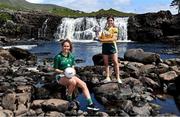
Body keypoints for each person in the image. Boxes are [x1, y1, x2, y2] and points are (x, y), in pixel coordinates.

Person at [53, 39, 99, 111]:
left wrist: (73, 71)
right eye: (64, 46)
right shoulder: (58, 57)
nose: (66, 48)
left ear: (70, 47)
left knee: (83, 84)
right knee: (73, 82)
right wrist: (63, 72)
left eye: (67, 46)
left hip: (70, 75)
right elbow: (55, 69)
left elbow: (73, 67)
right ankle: (69, 99)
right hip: (60, 76)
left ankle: (90, 104)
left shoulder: (71, 56)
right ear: (62, 47)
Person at [99, 15, 122, 84]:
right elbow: (101, 38)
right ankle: (107, 77)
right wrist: (100, 38)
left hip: (112, 46)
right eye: (109, 20)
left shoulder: (115, 29)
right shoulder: (104, 29)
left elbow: (114, 39)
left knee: (115, 62)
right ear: (107, 21)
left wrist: (103, 40)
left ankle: (118, 78)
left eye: (111, 20)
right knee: (106, 63)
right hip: (105, 46)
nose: (110, 22)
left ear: (113, 21)